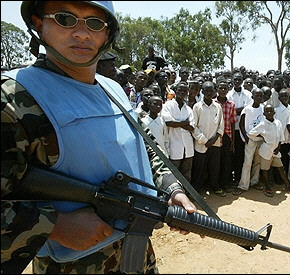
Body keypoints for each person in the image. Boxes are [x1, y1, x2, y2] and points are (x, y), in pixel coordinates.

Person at [1, 1, 198, 274]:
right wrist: (55, 226)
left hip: (136, 255)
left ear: (108, 35)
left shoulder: (113, 90)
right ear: (38, 23)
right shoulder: (13, 98)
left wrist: (172, 189)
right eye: (64, 19)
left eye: (94, 23)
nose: (82, 33)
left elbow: (147, 148)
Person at [248, 104, 290, 197]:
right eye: (267, 111)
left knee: (280, 167)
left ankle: (288, 185)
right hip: (266, 151)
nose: (269, 113)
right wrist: (262, 136)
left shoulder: (278, 123)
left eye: (271, 111)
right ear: (264, 113)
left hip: (276, 150)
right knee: (265, 170)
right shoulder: (262, 124)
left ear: (274, 112)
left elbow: (281, 137)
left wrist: (278, 147)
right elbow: (251, 134)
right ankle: (267, 186)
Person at [191, 81, 225, 196]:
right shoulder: (197, 107)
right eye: (207, 91)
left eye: (211, 91)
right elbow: (194, 127)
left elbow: (221, 125)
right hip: (201, 144)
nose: (209, 93)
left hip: (215, 143)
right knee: (199, 168)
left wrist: (214, 139)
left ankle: (215, 186)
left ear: (215, 92)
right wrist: (205, 141)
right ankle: (196, 189)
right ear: (202, 91)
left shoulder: (218, 107)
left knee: (214, 167)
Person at [233, 87, 264, 196]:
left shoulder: (263, 108)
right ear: (252, 97)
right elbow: (241, 124)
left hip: (260, 140)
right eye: (257, 95)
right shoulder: (247, 109)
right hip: (250, 139)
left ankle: (254, 181)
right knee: (247, 162)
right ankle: (243, 185)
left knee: (258, 162)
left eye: (261, 96)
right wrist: (246, 138)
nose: (259, 97)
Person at [161, 81, 195, 183]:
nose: (182, 92)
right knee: (174, 173)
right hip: (174, 145)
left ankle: (187, 194)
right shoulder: (168, 105)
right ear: (175, 91)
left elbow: (192, 127)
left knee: (186, 173)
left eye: (185, 91)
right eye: (180, 90)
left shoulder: (188, 109)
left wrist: (178, 123)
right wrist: (184, 123)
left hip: (187, 147)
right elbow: (169, 123)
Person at [215, 79, 238, 193]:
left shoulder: (231, 105)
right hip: (215, 137)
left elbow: (233, 122)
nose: (223, 90)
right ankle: (216, 184)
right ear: (217, 90)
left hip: (227, 135)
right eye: (221, 88)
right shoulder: (213, 103)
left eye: (225, 88)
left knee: (227, 161)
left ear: (228, 90)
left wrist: (233, 140)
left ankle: (225, 183)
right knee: (216, 161)